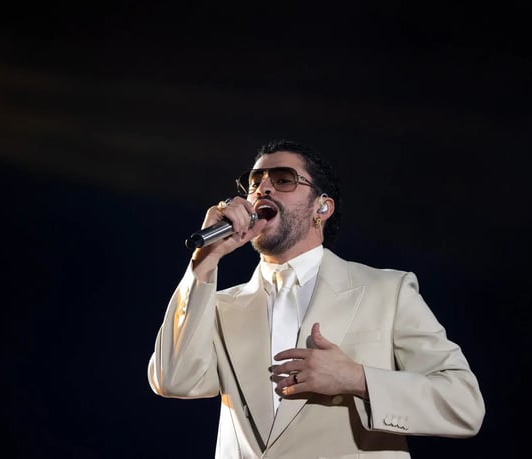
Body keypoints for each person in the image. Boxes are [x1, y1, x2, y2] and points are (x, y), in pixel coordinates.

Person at [147, 139, 485, 458]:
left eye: (283, 179)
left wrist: (357, 378)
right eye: (254, 182)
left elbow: (463, 405)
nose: (263, 189)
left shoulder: (387, 290)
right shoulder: (220, 306)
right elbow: (173, 380)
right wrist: (205, 261)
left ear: (322, 207)